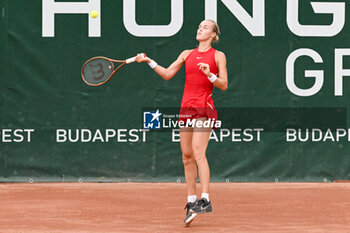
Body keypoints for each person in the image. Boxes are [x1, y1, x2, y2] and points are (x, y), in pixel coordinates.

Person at [135, 19, 228, 226]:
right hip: (186, 109)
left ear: (213, 34)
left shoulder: (218, 56)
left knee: (198, 152)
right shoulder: (187, 54)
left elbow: (224, 84)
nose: (200, 28)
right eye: (199, 26)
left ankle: (205, 199)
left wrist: (210, 74)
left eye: (205, 27)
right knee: (186, 157)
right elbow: (168, 74)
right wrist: (149, 61)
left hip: (204, 107)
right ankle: (192, 201)